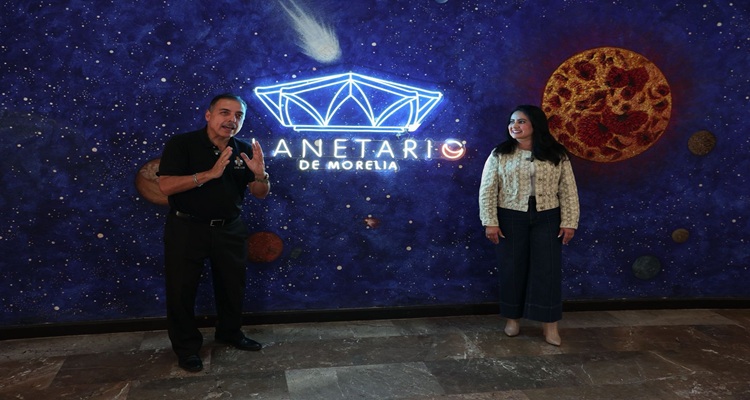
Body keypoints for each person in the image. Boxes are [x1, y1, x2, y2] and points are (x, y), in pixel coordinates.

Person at [157, 93, 271, 372]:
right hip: (187, 228)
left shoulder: (243, 149)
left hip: (229, 229)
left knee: (232, 286)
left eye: (238, 115)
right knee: (182, 290)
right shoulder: (182, 144)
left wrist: (260, 174)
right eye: (225, 113)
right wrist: (209, 174)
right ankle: (187, 348)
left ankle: (230, 332)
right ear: (208, 115)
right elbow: (166, 186)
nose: (232, 120)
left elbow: (260, 193)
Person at [478, 104, 579, 346]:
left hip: (548, 216)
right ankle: (512, 319)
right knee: (512, 268)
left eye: (521, 121)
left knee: (548, 270)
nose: (515, 126)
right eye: (512, 121)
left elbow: (568, 189)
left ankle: (550, 324)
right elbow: (488, 189)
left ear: (535, 124)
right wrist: (490, 221)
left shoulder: (556, 153)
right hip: (510, 215)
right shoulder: (500, 153)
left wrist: (569, 222)